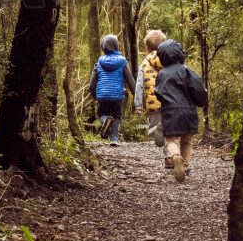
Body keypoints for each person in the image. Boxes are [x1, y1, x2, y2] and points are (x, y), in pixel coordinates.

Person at [154, 39, 208, 182]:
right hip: (188, 111)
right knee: (187, 140)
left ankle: (175, 157)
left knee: (171, 140)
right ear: (180, 54)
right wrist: (202, 102)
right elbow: (198, 90)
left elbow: (158, 93)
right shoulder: (187, 71)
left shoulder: (162, 74)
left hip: (170, 111)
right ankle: (184, 167)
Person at [88, 34, 136, 146]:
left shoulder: (98, 63)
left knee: (102, 114)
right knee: (117, 116)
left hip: (102, 95)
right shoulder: (123, 62)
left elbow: (92, 83)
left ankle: (105, 121)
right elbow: (130, 81)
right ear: (116, 46)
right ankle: (114, 138)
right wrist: (136, 96)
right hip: (117, 95)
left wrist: (94, 95)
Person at [134, 29, 172, 167]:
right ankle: (170, 158)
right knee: (170, 132)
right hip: (170, 102)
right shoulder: (170, 61)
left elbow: (139, 85)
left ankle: (156, 130)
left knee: (155, 132)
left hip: (153, 103)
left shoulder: (144, 64)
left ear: (146, 48)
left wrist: (138, 105)